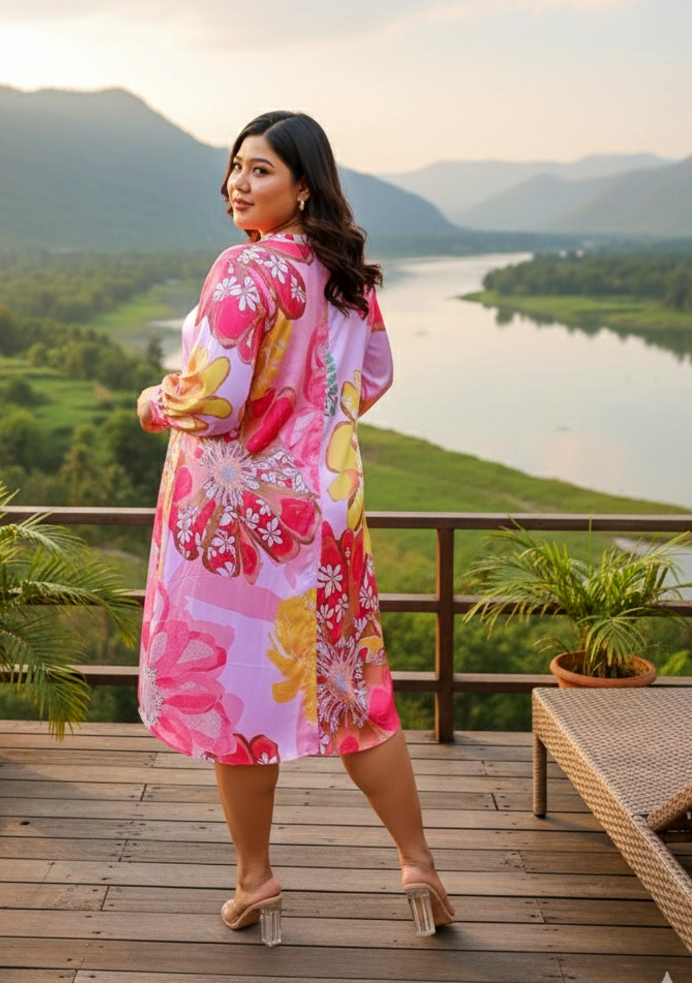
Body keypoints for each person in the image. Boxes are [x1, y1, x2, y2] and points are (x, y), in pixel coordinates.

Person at [136, 110, 455, 946]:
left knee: (241, 698)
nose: (240, 183)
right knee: (357, 696)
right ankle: (418, 863)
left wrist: (153, 401)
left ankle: (256, 881)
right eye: (236, 168)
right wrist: (311, 419)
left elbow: (211, 401)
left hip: (242, 528)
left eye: (261, 170)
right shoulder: (347, 276)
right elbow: (372, 377)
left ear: (303, 183)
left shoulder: (244, 272)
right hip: (329, 519)